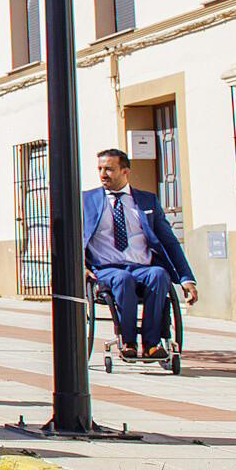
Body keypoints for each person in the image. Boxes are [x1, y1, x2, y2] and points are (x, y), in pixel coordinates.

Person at [84, 148, 197, 358]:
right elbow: (71, 238)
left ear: (125, 171)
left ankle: (152, 343)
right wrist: (79, 267)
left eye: (109, 169)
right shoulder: (86, 200)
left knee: (159, 274)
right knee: (123, 278)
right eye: (100, 168)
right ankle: (127, 341)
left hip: (142, 267)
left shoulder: (147, 201)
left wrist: (186, 278)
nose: (102, 174)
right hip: (106, 270)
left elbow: (169, 241)